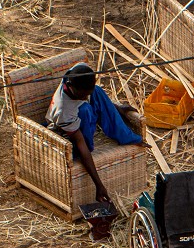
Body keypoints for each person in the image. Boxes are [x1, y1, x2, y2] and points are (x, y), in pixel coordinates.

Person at [45, 61, 147, 212]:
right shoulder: (64, 110)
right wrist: (99, 185)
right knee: (86, 109)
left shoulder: (77, 71)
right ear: (72, 88)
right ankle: (115, 134)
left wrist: (117, 108)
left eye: (88, 93)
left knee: (97, 92)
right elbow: (81, 145)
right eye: (84, 94)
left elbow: (92, 92)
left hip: (79, 115)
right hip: (64, 134)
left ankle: (127, 137)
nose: (87, 96)